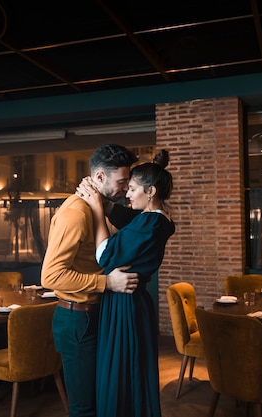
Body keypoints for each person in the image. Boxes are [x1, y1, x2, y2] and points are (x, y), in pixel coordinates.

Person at [41, 144, 141, 417]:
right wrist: (107, 283)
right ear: (99, 178)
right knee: (84, 408)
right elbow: (50, 275)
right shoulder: (75, 212)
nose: (125, 188)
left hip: (93, 315)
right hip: (77, 320)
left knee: (100, 401)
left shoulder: (97, 210)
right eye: (121, 182)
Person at [77, 149, 176, 417]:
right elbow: (124, 217)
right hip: (134, 301)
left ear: (151, 191)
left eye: (132, 189)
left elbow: (104, 255)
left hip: (124, 302)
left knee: (122, 369)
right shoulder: (157, 219)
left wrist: (97, 208)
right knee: (133, 368)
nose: (127, 194)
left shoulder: (149, 224)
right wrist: (101, 199)